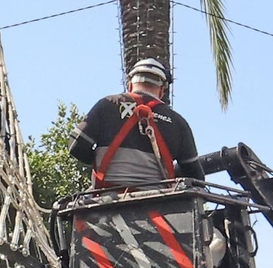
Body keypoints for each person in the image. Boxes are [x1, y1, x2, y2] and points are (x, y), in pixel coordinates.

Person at [69, 58, 204, 188]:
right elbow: (195, 175)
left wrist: (99, 162)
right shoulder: (178, 123)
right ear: (162, 90)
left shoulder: (107, 105)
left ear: (130, 85)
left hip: (106, 203)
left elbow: (76, 145)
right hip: (158, 205)